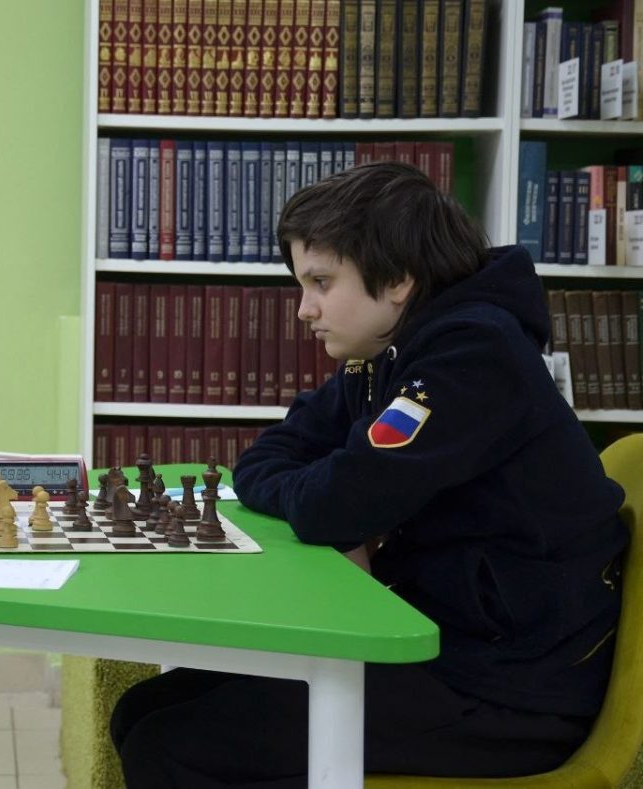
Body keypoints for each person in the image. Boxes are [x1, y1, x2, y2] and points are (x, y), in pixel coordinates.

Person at [110, 161, 627, 787]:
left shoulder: (472, 355)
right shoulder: (387, 353)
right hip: (437, 640)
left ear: (399, 279)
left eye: (321, 282)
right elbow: (267, 458)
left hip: (508, 688)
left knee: (173, 746)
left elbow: (335, 504)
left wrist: (331, 497)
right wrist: (327, 492)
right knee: (143, 711)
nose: (304, 310)